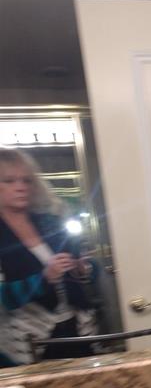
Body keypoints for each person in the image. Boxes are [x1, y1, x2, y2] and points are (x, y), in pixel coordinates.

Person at [0, 148, 98, 367]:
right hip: (24, 339)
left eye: (26, 180)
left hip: (76, 327)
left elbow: (83, 264)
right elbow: (2, 297)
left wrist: (84, 268)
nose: (21, 187)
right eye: (9, 180)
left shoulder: (49, 222)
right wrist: (44, 279)